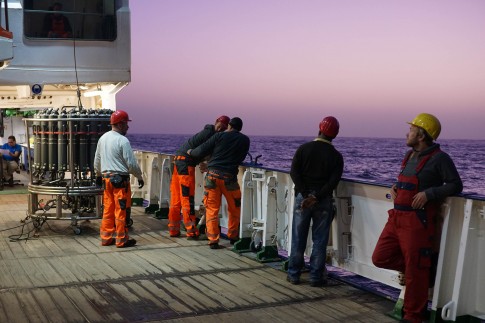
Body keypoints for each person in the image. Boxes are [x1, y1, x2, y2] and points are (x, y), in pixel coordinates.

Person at [372, 113, 462, 323]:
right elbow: (409, 181)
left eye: (412, 129)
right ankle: (421, 269)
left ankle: (413, 317)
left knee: (416, 273)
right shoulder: (409, 155)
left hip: (417, 222)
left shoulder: (441, 158)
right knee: (380, 257)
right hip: (396, 218)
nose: (408, 132)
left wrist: (429, 194)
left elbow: (455, 184)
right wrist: (396, 186)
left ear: (421, 135)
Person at [286, 116, 344, 287]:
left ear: (319, 129)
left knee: (298, 237)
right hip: (322, 200)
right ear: (334, 135)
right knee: (320, 240)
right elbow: (333, 182)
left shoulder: (304, 149)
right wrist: (316, 197)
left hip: (302, 199)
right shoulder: (336, 156)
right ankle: (315, 277)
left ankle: (294, 274)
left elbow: (294, 173)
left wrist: (305, 195)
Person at [188, 117, 250, 249]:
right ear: (240, 128)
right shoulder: (245, 140)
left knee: (212, 209)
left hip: (212, 177)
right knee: (234, 208)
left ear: (229, 126)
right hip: (230, 178)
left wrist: (191, 152)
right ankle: (233, 237)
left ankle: (213, 240)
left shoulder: (219, 136)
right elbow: (241, 157)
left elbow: (201, 150)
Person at [168, 115, 230, 239]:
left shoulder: (207, 132)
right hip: (186, 165)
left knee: (176, 198)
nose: (219, 130)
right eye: (219, 127)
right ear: (216, 122)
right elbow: (202, 151)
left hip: (178, 162)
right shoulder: (211, 134)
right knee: (187, 198)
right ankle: (191, 231)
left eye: (222, 129)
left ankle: (173, 229)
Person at [94, 110, 144, 248]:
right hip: (120, 182)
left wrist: (98, 175)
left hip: (106, 180)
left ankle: (106, 238)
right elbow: (131, 163)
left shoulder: (103, 138)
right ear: (121, 124)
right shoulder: (123, 140)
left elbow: (97, 160)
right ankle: (121, 239)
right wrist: (139, 176)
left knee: (108, 210)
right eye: (126, 124)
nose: (128, 127)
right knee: (121, 211)